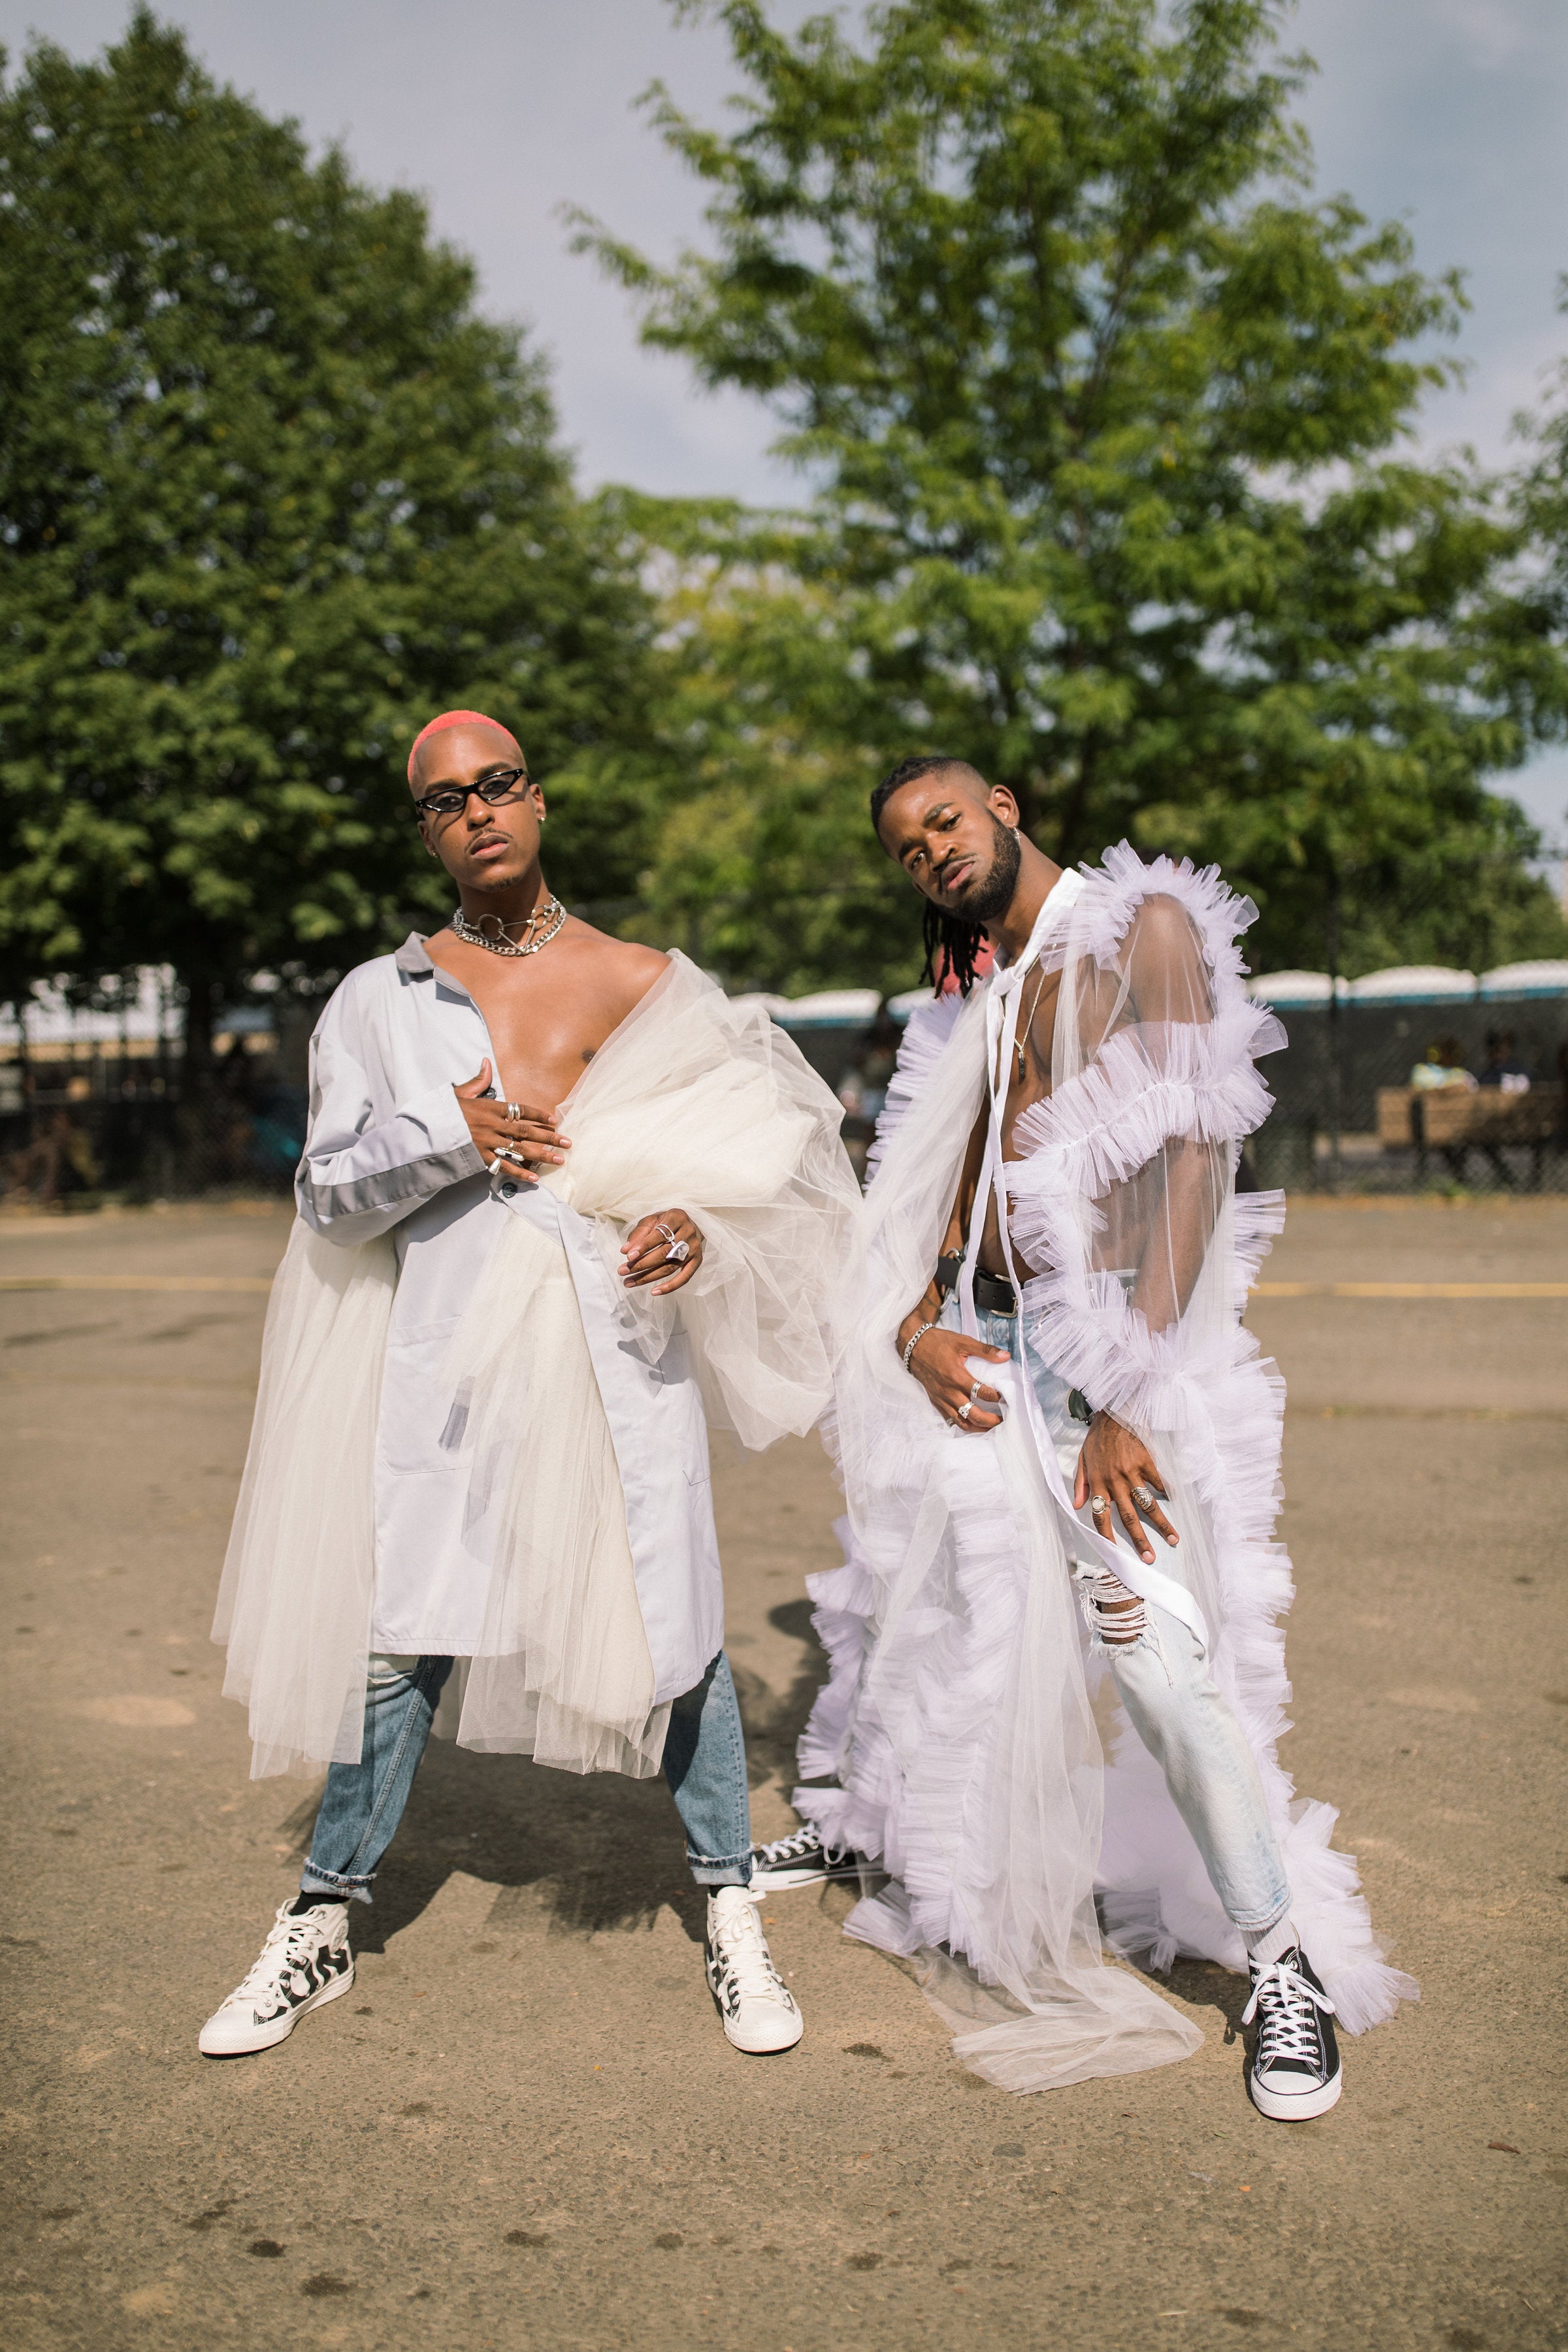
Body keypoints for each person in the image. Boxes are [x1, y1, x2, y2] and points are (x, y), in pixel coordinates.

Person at [202, 710, 858, 2062]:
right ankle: (323, 1917)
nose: (478, 811)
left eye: (497, 784)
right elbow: (324, 1196)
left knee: (677, 1635)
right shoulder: (380, 1002)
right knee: (407, 1631)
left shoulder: (646, 981)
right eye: (447, 800)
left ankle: (731, 1903)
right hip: (447, 1368)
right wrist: (450, 1136)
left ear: (538, 800)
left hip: (617, 1356)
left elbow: (761, 1167)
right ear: (427, 830)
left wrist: (699, 1231)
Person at [767, 755, 1416, 2115]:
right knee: (955, 1621)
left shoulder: (1147, 931)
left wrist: (1122, 1392)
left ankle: (1278, 1963)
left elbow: (1196, 1161)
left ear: (1003, 803)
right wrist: (914, 1325)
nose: (929, 855)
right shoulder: (994, 983)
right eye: (904, 849)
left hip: (1105, 1368)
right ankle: (908, 1846)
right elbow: (969, 1172)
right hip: (983, 1351)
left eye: (941, 823)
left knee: (1164, 1664)